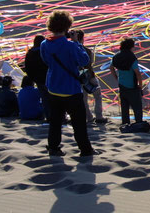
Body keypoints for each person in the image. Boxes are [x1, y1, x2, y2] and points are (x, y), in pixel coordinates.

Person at [40, 11, 95, 157]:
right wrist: (77, 42)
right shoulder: (70, 46)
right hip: (71, 89)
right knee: (78, 123)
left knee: (55, 121)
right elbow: (84, 61)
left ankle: (53, 147)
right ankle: (85, 149)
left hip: (53, 88)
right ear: (67, 26)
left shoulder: (44, 44)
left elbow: (46, 61)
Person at [72, 29, 106, 124]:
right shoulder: (87, 51)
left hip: (76, 78)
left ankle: (89, 117)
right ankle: (99, 116)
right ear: (82, 38)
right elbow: (90, 64)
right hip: (88, 76)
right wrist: (91, 77)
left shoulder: (70, 50)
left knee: (83, 99)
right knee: (97, 95)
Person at [110, 38, 143, 125]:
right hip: (132, 86)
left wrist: (116, 77)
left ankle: (125, 123)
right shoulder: (132, 57)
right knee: (137, 106)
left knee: (124, 107)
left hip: (121, 85)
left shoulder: (116, 56)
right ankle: (139, 123)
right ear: (131, 47)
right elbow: (137, 73)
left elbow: (111, 67)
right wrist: (140, 85)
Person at [24, 35, 50, 121]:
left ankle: (48, 116)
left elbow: (27, 67)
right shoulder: (45, 52)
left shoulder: (30, 53)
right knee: (52, 97)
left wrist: (33, 78)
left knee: (44, 98)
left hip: (38, 79)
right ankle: (55, 116)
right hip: (48, 78)